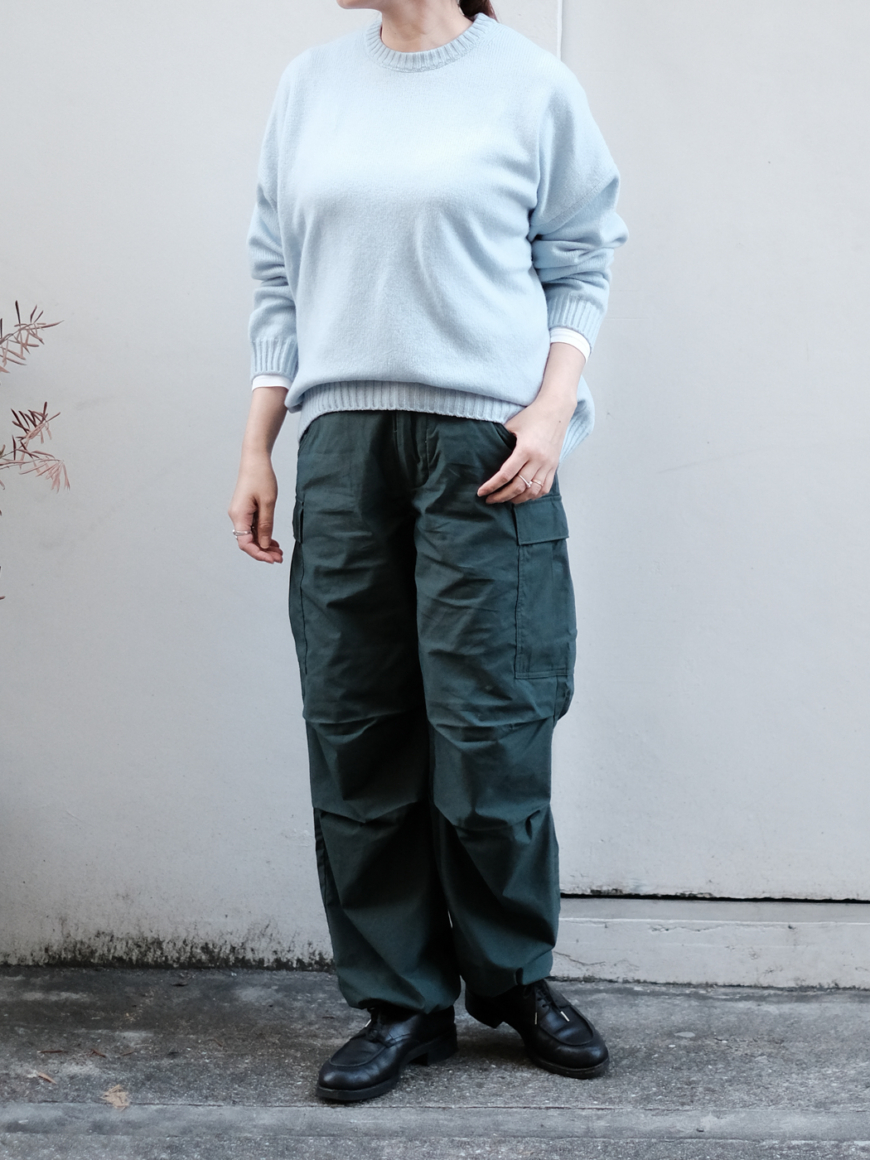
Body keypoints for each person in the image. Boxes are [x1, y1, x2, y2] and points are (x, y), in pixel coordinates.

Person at [228, 0, 627, 1104]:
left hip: (483, 448)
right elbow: (276, 276)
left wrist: (551, 408)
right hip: (343, 445)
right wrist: (259, 445)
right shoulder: (310, 86)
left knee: (492, 725)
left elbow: (583, 257)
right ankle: (401, 1000)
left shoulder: (530, 84)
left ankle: (512, 978)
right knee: (358, 726)